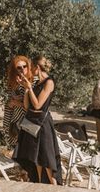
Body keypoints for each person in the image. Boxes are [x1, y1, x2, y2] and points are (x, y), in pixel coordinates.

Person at [14, 55, 63, 184]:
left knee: (47, 160)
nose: (30, 70)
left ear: (37, 67)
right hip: (33, 123)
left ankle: (55, 188)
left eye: (31, 67)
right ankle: (40, 186)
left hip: (43, 125)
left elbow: (37, 105)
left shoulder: (49, 82)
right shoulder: (37, 83)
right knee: (36, 160)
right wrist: (26, 88)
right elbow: (27, 106)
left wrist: (30, 88)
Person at [3, 55, 32, 147]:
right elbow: (8, 103)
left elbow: (33, 105)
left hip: (28, 121)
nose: (22, 69)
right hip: (15, 119)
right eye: (19, 68)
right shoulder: (12, 83)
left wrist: (17, 103)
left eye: (24, 66)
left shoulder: (32, 82)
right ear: (14, 69)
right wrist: (11, 103)